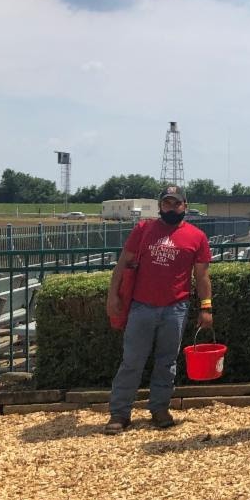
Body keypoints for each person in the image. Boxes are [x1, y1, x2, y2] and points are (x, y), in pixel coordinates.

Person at [104, 185, 212, 434]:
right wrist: (113, 296)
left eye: (176, 204)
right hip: (141, 306)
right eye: (166, 203)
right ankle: (119, 413)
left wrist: (206, 307)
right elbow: (123, 263)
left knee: (167, 362)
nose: (171, 208)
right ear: (160, 206)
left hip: (176, 308)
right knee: (132, 361)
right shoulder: (143, 229)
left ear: (185, 206)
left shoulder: (197, 237)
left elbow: (203, 276)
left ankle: (159, 408)